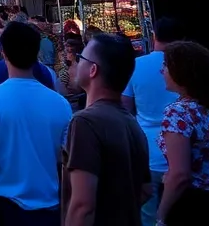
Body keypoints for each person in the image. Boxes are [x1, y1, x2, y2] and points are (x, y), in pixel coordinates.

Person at [0, 20, 72, 225]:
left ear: (3, 53)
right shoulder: (61, 104)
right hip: (48, 206)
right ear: (36, 53)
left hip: (4, 206)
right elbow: (67, 162)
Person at [62, 33, 151, 226]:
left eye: (81, 58)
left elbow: (82, 206)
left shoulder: (85, 122)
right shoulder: (132, 123)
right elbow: (146, 190)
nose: (77, 63)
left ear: (93, 70)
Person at [154, 41, 209, 225]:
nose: (162, 71)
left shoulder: (178, 113)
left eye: (166, 66)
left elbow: (180, 175)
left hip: (193, 204)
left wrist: (160, 214)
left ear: (181, 72)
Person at [123, 17, 181, 226]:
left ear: (153, 36)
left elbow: (126, 108)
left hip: (147, 151)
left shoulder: (136, 65)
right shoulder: (187, 65)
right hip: (184, 153)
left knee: (149, 216)